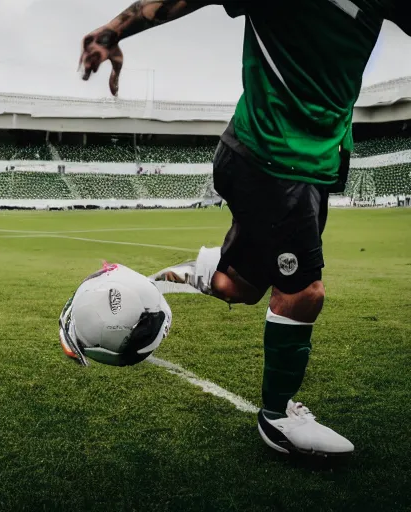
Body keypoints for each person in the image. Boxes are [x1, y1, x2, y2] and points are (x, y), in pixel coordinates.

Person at [79, 1, 409, 456]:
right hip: (269, 156)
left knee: (241, 287)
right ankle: (276, 420)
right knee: (303, 292)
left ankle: (198, 269)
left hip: (317, 161)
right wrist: (114, 30)